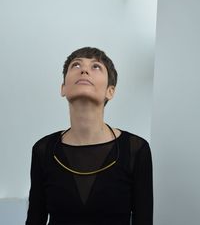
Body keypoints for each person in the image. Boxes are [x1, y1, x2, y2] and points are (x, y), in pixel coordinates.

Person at [25, 46, 153, 225]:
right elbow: (34, 220)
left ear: (110, 91)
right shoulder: (43, 149)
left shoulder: (135, 149)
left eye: (96, 67)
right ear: (63, 88)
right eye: (76, 66)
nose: (84, 70)